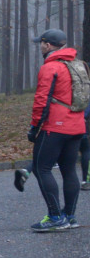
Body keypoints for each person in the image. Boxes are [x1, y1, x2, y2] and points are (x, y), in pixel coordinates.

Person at [26, 30, 87, 231]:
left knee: (41, 167)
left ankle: (54, 217)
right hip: (77, 126)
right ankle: (70, 216)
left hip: (55, 126)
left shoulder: (50, 67)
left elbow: (41, 100)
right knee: (69, 170)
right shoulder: (79, 64)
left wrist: (35, 128)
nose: (40, 46)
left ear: (48, 45)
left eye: (41, 43)